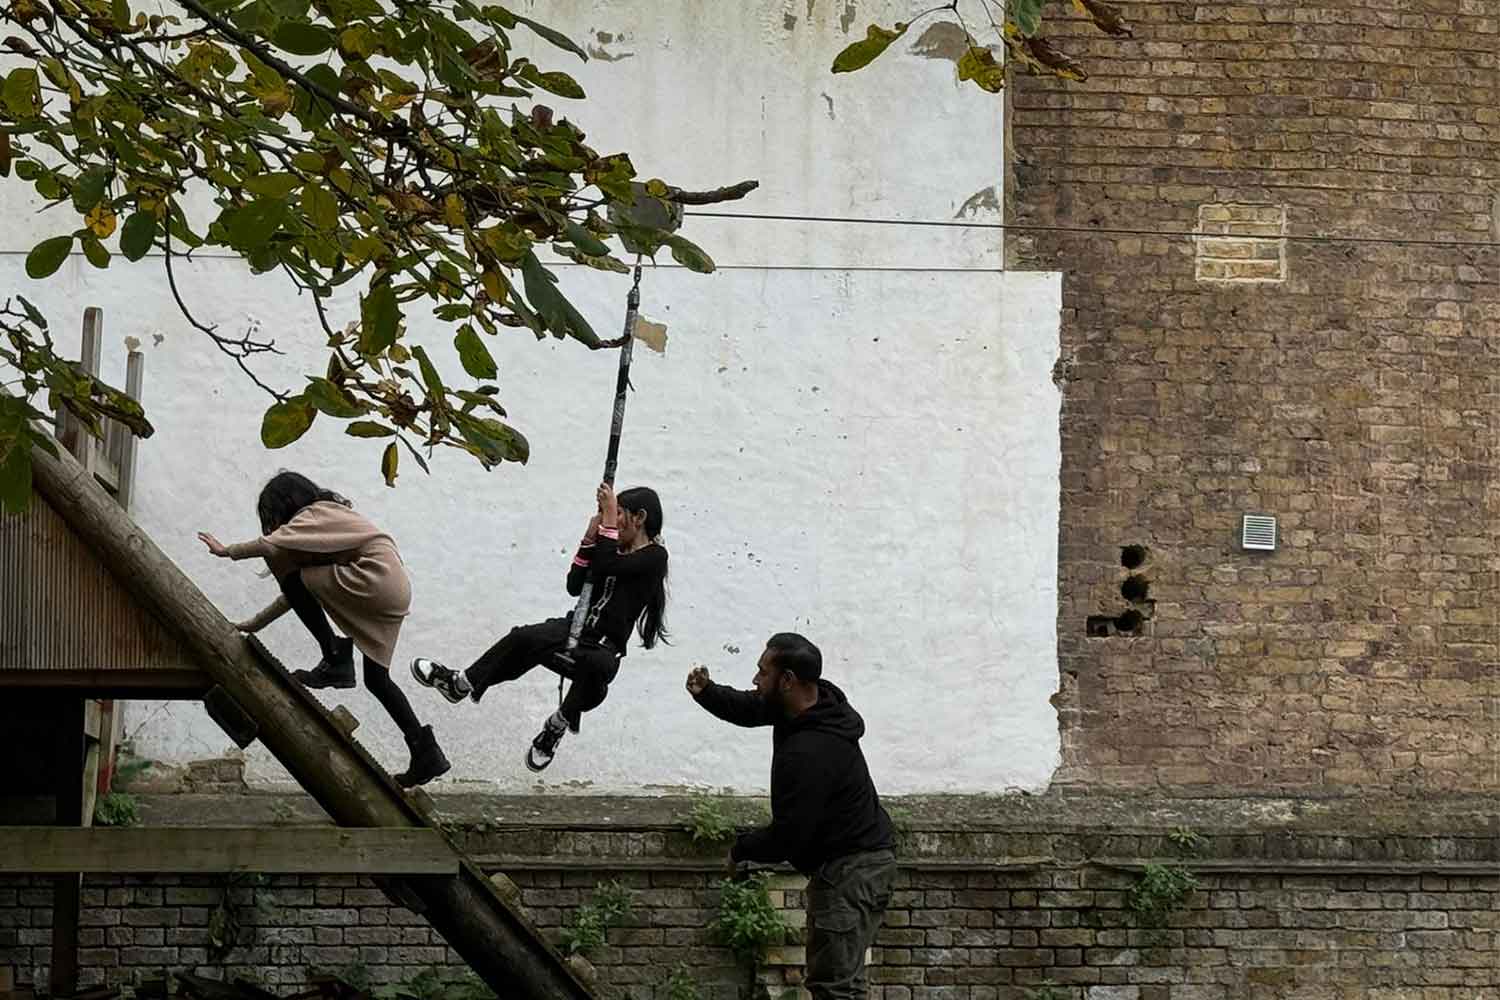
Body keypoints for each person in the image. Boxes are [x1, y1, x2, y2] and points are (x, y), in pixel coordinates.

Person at [197, 471, 450, 788]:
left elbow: (272, 549)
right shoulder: (327, 523)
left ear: (286, 503)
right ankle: (425, 752)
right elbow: (297, 595)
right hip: (392, 587)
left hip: (374, 577)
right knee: (377, 680)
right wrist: (253, 624)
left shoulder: (315, 513)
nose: (274, 525)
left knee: (283, 562)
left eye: (273, 515)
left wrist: (227, 551)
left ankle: (335, 657)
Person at [687, 633, 895, 1000]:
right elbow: (751, 707)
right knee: (844, 984)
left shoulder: (810, 751)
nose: (755, 679)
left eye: (762, 672)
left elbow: (789, 836)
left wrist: (740, 850)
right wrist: (708, 692)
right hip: (862, 862)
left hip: (851, 871)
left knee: (834, 988)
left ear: (787, 680)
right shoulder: (814, 703)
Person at [410, 482, 668, 772]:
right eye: (613, 513)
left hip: (603, 648)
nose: (614, 520)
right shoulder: (610, 546)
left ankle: (556, 726)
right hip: (573, 629)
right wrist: (588, 539)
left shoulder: (656, 557)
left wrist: (605, 522)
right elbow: (574, 585)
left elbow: (610, 565)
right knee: (523, 638)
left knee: (596, 676)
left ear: (639, 518)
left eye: (619, 513)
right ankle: (460, 683)